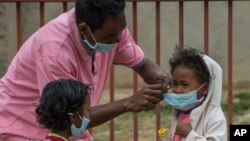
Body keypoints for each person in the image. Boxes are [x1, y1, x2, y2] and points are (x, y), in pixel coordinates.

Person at [0, 0, 170, 140]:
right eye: (110, 36)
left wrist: (166, 82)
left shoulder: (113, 28)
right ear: (83, 29)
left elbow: (141, 64)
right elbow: (67, 116)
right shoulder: (54, 52)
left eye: (121, 31)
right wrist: (128, 103)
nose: (118, 39)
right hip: (20, 127)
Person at [163, 47, 227, 141]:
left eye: (184, 85)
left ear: (204, 88)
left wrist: (190, 135)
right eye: (175, 84)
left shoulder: (215, 117)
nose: (177, 90)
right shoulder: (180, 112)